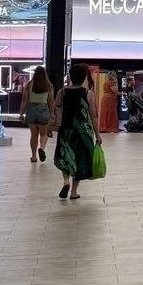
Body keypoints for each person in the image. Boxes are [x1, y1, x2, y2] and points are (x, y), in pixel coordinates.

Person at [54, 63, 100, 200]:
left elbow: (56, 107)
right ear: (84, 77)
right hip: (82, 131)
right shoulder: (88, 94)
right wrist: (97, 134)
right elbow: (93, 115)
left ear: (70, 77)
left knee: (64, 156)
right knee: (79, 160)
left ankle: (65, 181)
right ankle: (74, 192)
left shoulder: (62, 92)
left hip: (66, 129)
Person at [21, 66, 54, 164]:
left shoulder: (29, 84)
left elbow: (24, 100)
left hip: (31, 109)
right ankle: (42, 148)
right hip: (43, 109)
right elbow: (51, 102)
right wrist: (52, 114)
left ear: (34, 73)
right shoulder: (48, 85)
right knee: (44, 134)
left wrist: (21, 113)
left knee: (34, 134)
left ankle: (34, 156)